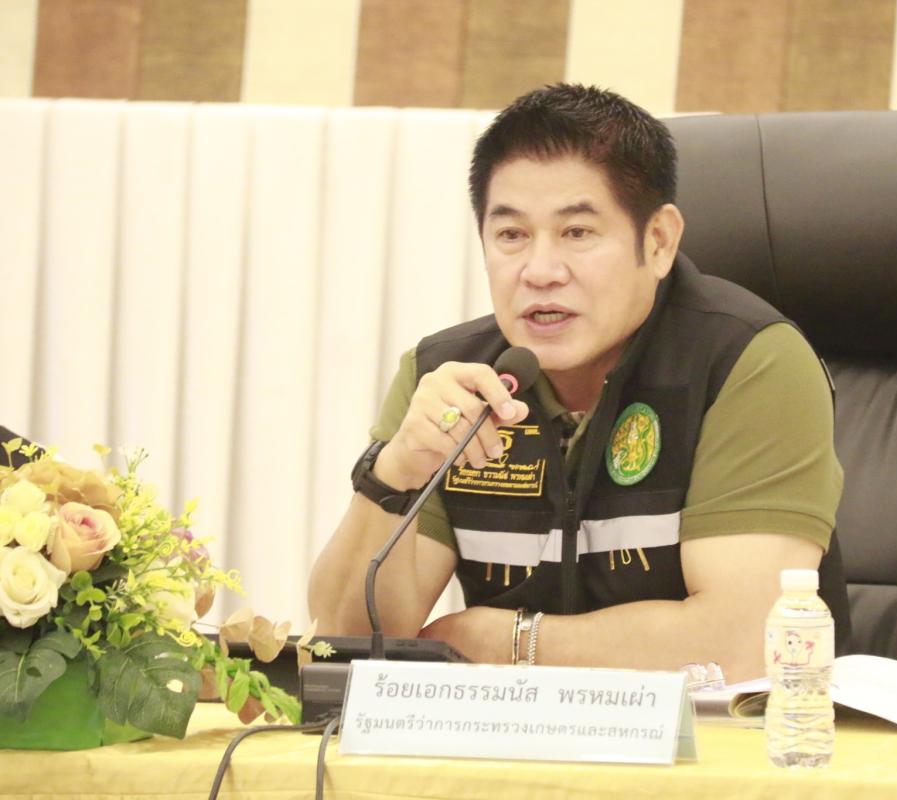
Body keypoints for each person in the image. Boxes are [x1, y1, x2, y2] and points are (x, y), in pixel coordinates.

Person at [308, 84, 843, 683]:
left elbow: (747, 641)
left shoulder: (745, 360)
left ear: (659, 241)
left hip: (718, 739)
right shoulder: (449, 377)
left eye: (577, 233)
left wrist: (506, 642)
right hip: (502, 735)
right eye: (511, 236)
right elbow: (344, 644)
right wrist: (394, 473)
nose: (539, 272)